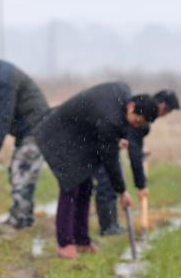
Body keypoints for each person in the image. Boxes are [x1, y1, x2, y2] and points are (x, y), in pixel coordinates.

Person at [35, 82, 160, 259]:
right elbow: (110, 159)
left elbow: (114, 130)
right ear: (131, 107)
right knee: (70, 187)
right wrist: (122, 191)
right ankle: (65, 243)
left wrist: (120, 137)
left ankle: (81, 240)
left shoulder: (124, 94)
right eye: (137, 122)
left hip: (80, 138)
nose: (136, 126)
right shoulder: (110, 119)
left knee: (85, 187)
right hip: (58, 135)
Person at [0, 39, 50, 231]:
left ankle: (19, 220)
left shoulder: (2, 79)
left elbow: (3, 117)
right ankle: (24, 217)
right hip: (30, 131)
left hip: (36, 129)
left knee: (20, 173)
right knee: (19, 172)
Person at [94, 90, 180, 235]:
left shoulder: (144, 118)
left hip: (110, 147)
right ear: (163, 107)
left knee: (112, 184)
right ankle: (107, 227)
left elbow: (135, 144)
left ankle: (112, 224)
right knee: (106, 184)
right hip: (102, 147)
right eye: (168, 112)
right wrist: (141, 185)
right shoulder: (140, 115)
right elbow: (134, 151)